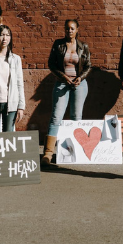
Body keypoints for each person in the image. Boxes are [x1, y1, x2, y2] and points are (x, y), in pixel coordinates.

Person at [41, 19, 92, 165]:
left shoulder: (83, 46)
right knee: (56, 117)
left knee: (77, 117)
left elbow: (88, 66)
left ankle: (75, 152)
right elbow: (51, 64)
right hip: (61, 84)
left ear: (77, 30)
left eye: (72, 28)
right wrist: (62, 76)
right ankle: (48, 154)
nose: (69, 31)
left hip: (79, 85)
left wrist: (80, 78)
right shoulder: (58, 45)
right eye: (67, 28)